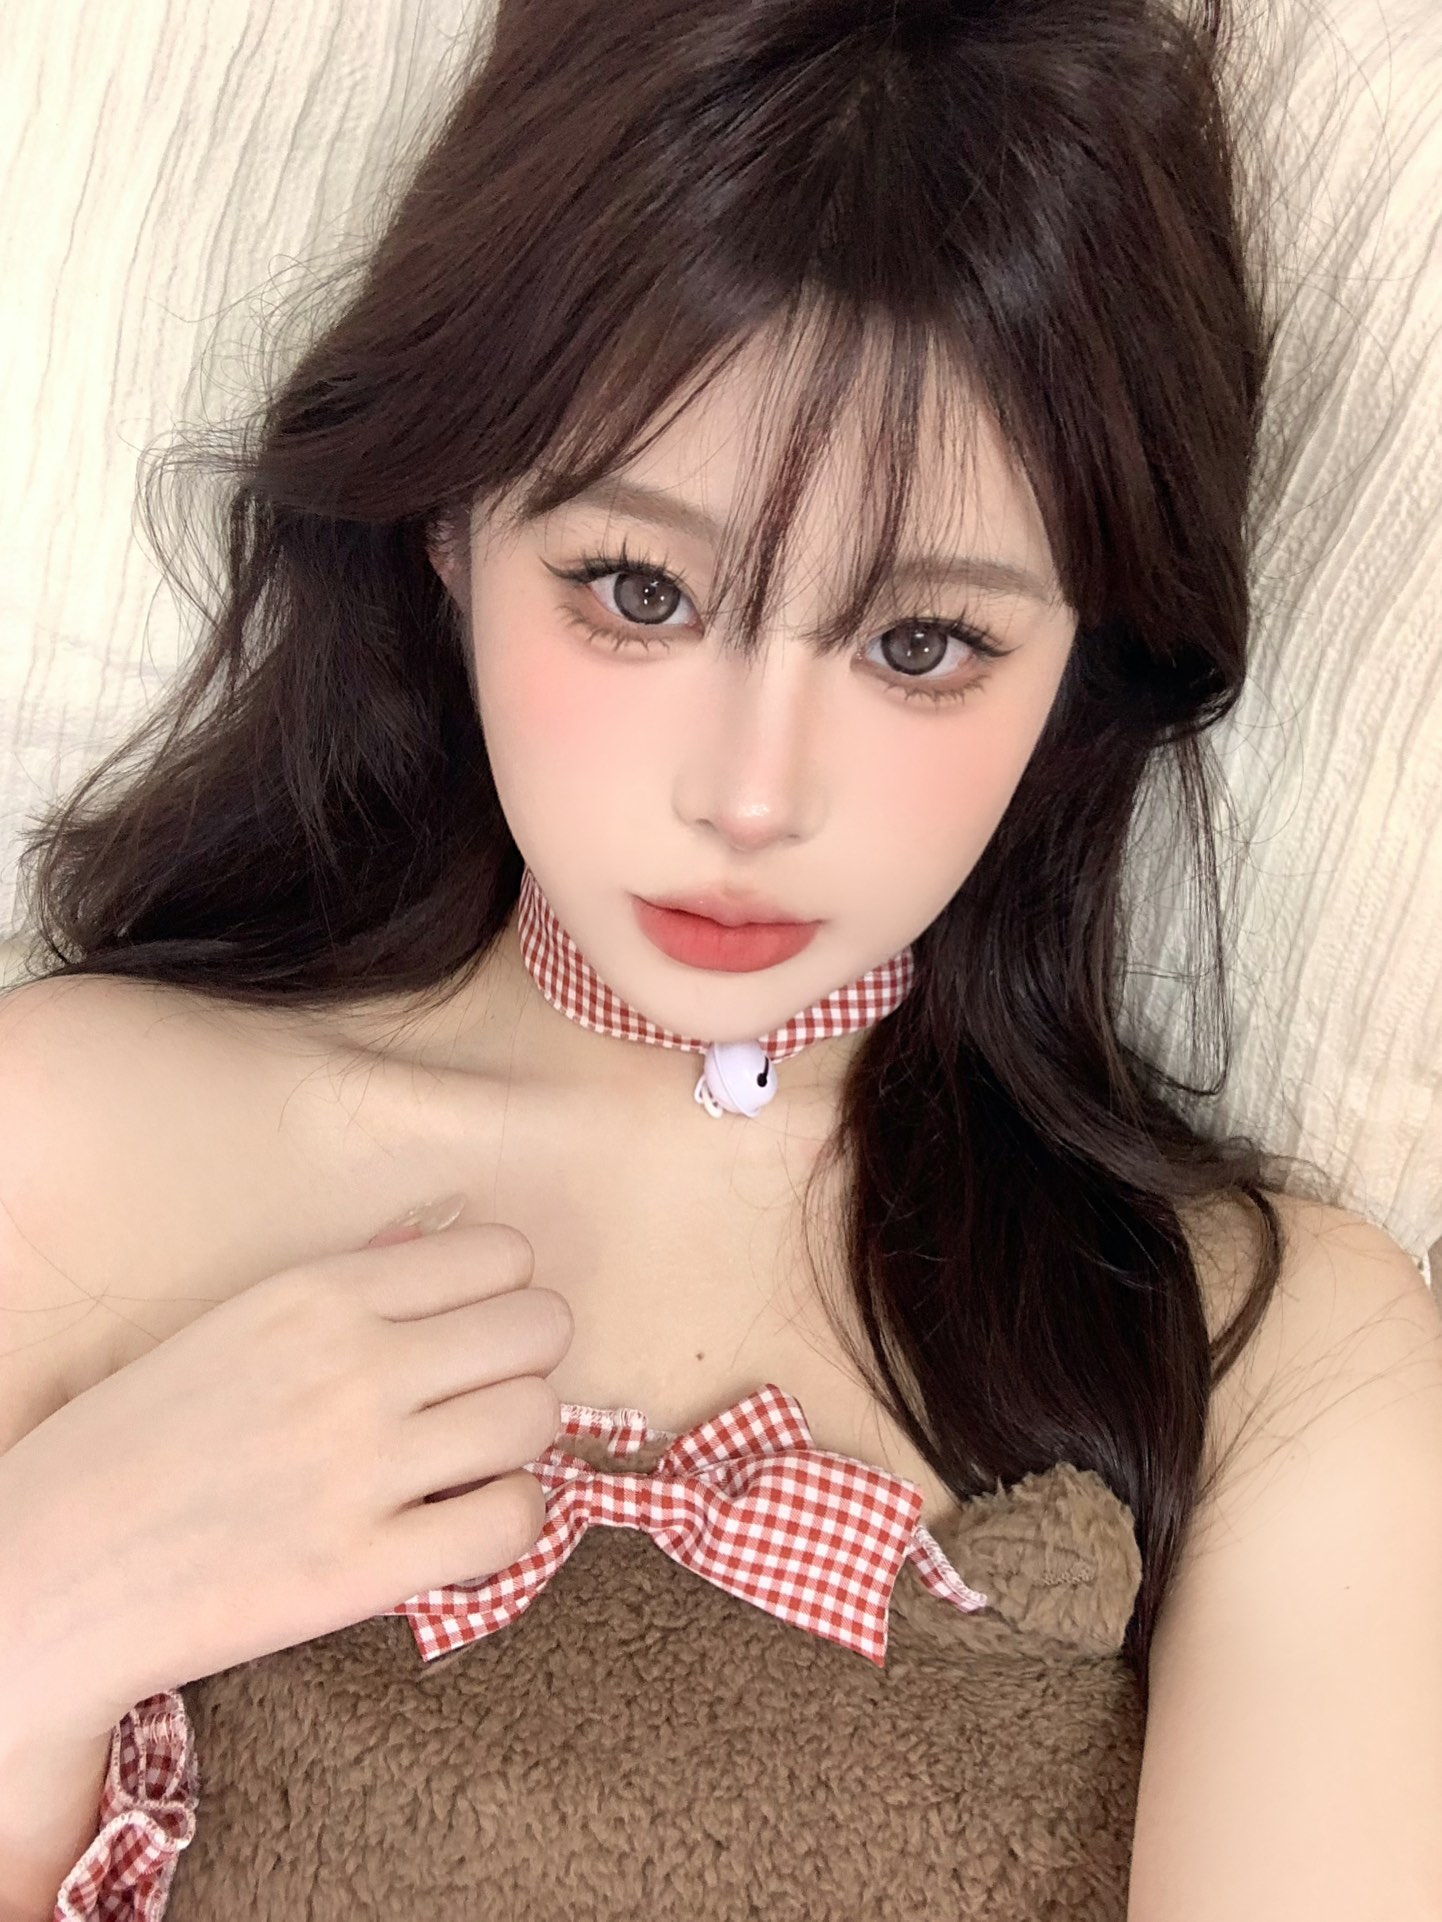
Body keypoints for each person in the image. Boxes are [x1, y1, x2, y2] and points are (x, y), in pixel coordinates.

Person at [1, 0, 1439, 1916]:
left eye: (919, 642)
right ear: (447, 531)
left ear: (1086, 657)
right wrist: (43, 1599)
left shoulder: (1262, 1350)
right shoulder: (70, 1143)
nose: (750, 795)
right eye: (639, 590)